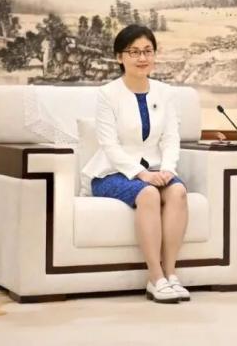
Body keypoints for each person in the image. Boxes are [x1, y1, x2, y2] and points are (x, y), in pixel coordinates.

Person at [82, 24, 189, 304]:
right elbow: (109, 145)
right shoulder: (107, 94)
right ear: (119, 57)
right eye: (134, 52)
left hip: (155, 169)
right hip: (112, 172)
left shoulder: (165, 93)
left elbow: (171, 137)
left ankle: (171, 274)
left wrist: (167, 169)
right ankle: (155, 278)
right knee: (149, 193)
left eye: (147, 51)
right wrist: (141, 174)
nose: (142, 58)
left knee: (178, 191)